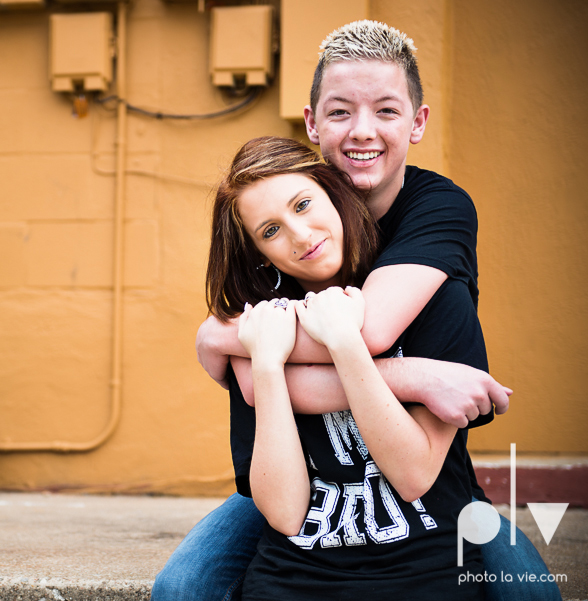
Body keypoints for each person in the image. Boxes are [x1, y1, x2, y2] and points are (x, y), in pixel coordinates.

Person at [152, 20, 559, 601]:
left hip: (426, 488)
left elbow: (364, 330)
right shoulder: (272, 274)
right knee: (182, 586)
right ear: (312, 123)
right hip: (305, 487)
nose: (362, 132)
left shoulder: (436, 207)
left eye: (386, 111)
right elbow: (262, 385)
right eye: (340, 112)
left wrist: (230, 339)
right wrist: (420, 375)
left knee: (531, 593)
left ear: (417, 122)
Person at [213, 135, 484, 598]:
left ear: (334, 194)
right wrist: (266, 362)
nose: (300, 235)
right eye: (270, 230)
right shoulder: (259, 328)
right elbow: (284, 513)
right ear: (260, 252)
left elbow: (413, 476)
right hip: (292, 580)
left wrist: (343, 340)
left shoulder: (435, 299)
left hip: (424, 574)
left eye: (302, 204)